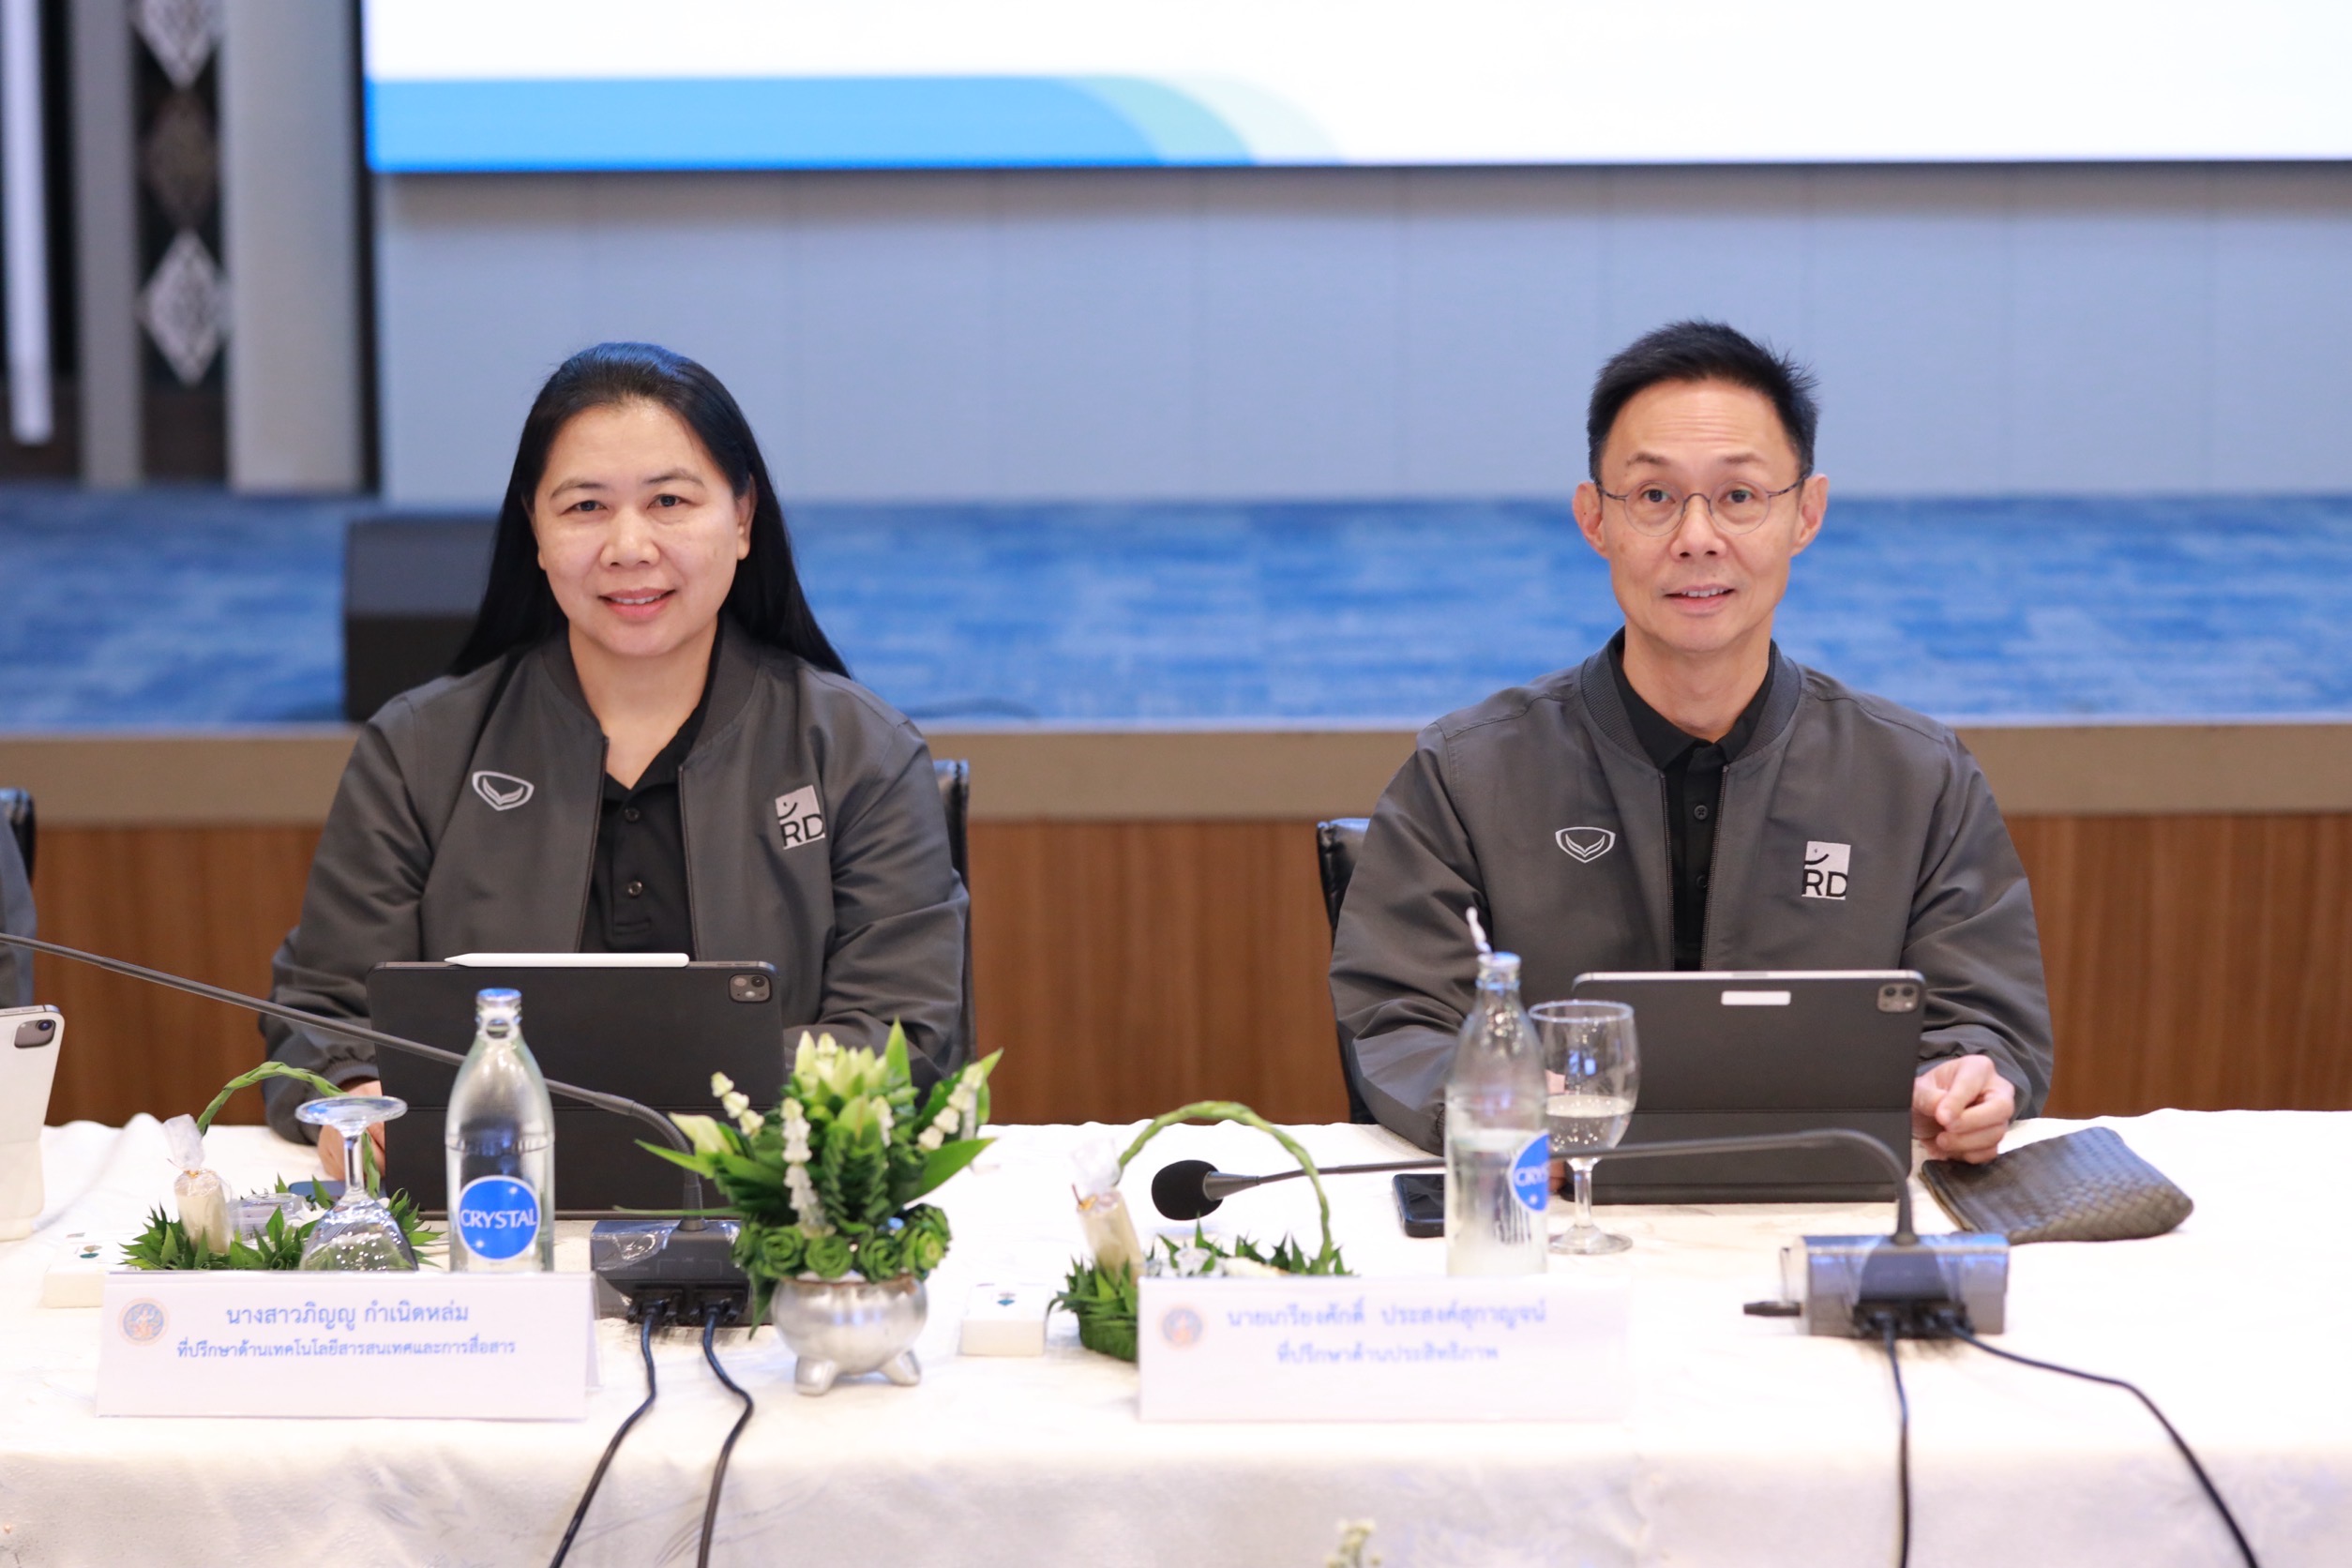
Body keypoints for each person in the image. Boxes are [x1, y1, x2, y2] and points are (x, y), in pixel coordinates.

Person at [1331, 321, 2051, 1164]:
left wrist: (1965, 1082)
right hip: (1557, 1202)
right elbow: (1400, 1021)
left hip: (1830, 1198)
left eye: (1739, 496)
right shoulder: (1467, 774)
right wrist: (1506, 1109)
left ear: (1806, 513)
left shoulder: (1918, 778)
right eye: (1654, 496)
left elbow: (1983, 1022)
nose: (1697, 536)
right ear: (1594, 519)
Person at [262, 342, 968, 1156]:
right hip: (489, 1198)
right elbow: (323, 1017)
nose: (629, 546)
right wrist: (355, 1094)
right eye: (586, 506)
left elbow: (901, 1039)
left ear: (743, 518)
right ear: (535, 529)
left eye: (669, 500)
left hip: (770, 1197)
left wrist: (659, 1100)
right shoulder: (418, 751)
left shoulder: (861, 753)